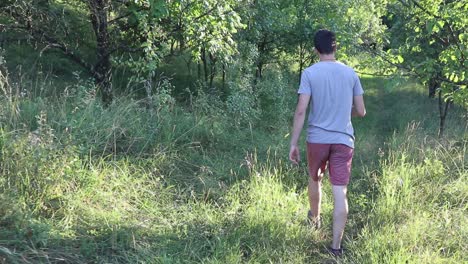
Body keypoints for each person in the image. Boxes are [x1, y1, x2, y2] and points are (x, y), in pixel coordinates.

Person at [289, 29, 366, 257]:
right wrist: (342, 113)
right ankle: (336, 248)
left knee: (315, 179)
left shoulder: (310, 73)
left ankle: (315, 219)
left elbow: (301, 110)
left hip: (317, 140)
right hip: (343, 140)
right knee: (340, 191)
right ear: (336, 47)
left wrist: (293, 142)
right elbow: (361, 111)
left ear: (315, 50)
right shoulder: (351, 73)